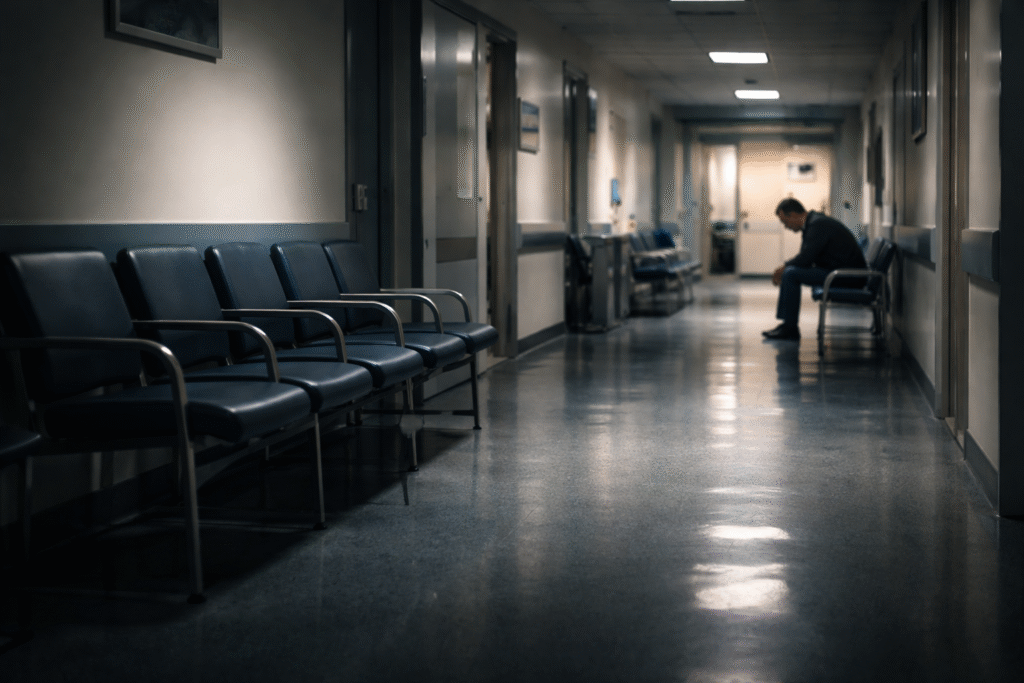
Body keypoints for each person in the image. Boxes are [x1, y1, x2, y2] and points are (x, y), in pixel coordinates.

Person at [762, 198, 866, 340]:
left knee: (790, 274)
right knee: (790, 272)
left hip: (847, 276)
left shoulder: (817, 225)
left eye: (785, 222)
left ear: (793, 215)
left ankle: (789, 328)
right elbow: (806, 258)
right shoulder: (813, 223)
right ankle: (787, 325)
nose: (786, 227)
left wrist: (783, 268)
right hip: (839, 272)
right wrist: (786, 268)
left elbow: (805, 258)